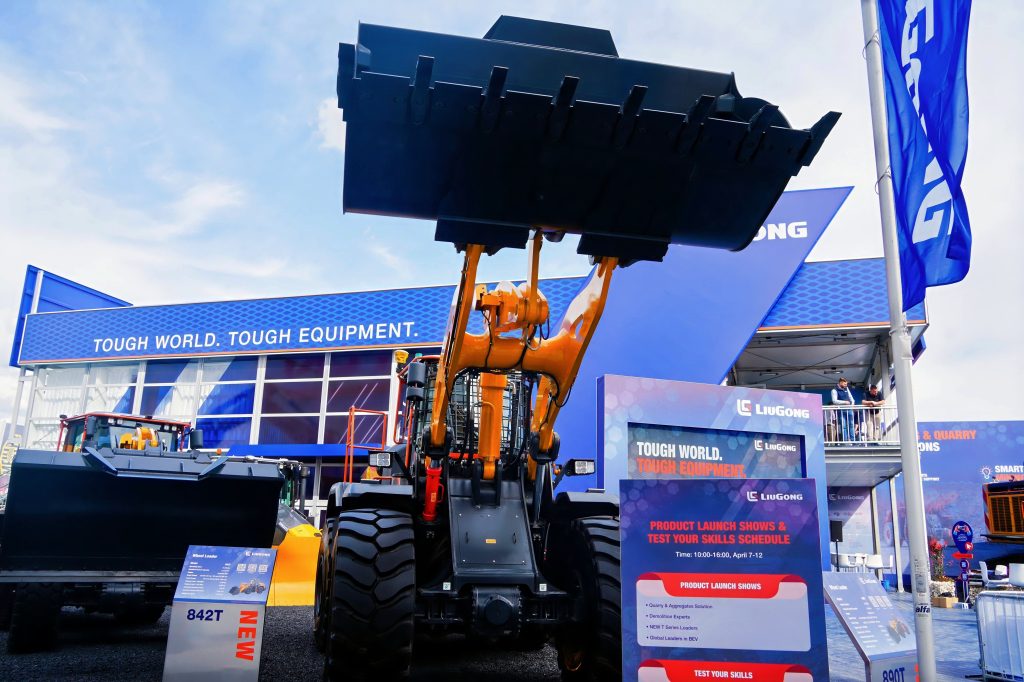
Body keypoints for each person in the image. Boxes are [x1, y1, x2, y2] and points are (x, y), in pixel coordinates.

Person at [830, 377, 855, 442]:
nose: (846, 385)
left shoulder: (846, 388)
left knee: (851, 425)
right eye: (844, 384)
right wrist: (844, 402)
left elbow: (851, 398)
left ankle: (853, 440)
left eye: (846, 384)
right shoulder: (834, 390)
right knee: (843, 426)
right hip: (841, 410)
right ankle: (845, 441)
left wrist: (852, 405)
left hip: (849, 409)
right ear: (840, 383)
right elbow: (834, 401)